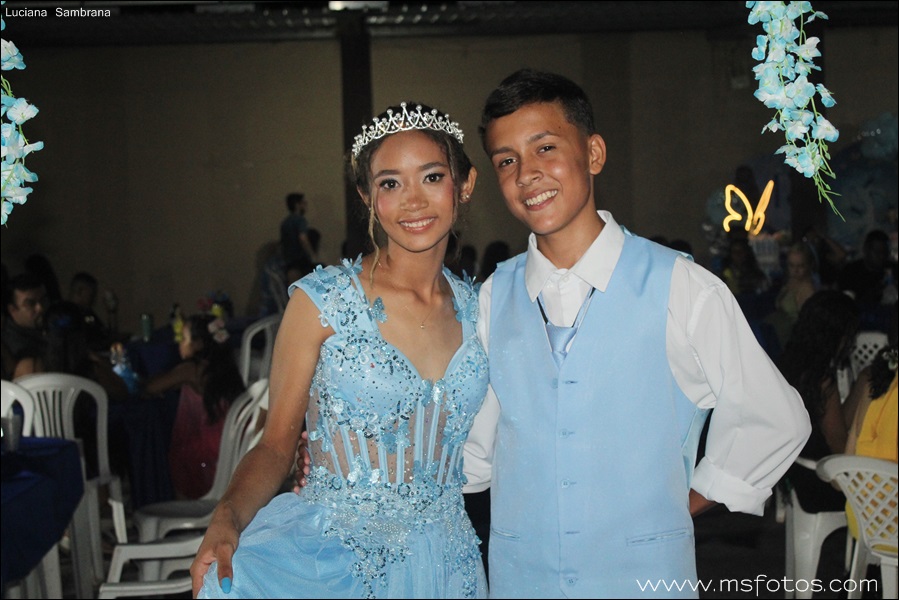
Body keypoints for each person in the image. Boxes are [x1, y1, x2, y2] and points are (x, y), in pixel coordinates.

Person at [461, 68, 811, 597]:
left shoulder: (681, 286)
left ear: (594, 153)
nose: (526, 173)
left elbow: (773, 417)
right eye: (506, 160)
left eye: (545, 148)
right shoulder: (494, 296)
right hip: (523, 576)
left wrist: (684, 504)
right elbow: (472, 448)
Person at [191, 101, 486, 599]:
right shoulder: (321, 302)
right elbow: (275, 445)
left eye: (432, 177)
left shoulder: (483, 310)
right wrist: (226, 519)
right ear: (367, 196)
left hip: (451, 566)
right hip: (337, 567)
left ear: (465, 184)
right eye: (390, 183)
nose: (413, 200)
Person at [777, 290, 862, 513]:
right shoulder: (821, 380)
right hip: (821, 483)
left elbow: (834, 423)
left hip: (795, 475)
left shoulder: (788, 366)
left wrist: (862, 385)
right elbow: (839, 445)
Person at [144, 313, 245, 500]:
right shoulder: (227, 369)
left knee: (173, 453)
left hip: (202, 453)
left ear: (198, 344)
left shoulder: (192, 370)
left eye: (184, 339)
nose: (180, 344)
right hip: (226, 450)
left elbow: (150, 387)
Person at [767, 241, 819, 347]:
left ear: (809, 266)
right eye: (791, 265)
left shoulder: (807, 290)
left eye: (801, 266)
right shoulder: (790, 281)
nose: (795, 270)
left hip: (788, 341)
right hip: (776, 334)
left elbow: (806, 325)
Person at [1, 272, 49, 379]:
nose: (40, 308)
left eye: (43, 300)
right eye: (30, 304)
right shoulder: (10, 345)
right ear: (13, 310)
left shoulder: (50, 328)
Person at [280, 192, 317, 266]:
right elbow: (303, 238)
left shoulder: (285, 222)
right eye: (303, 203)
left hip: (288, 260)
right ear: (297, 205)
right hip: (300, 260)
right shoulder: (300, 220)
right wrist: (312, 255)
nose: (306, 205)